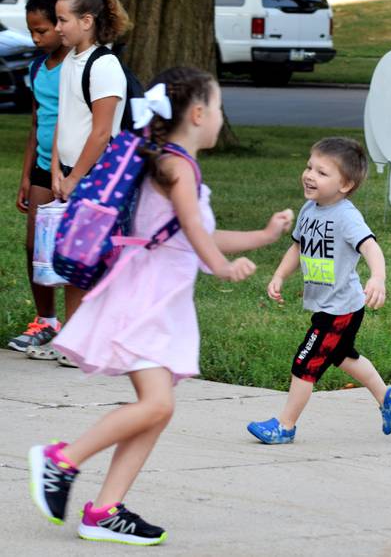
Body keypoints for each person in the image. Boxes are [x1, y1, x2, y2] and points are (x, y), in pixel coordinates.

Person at [28, 67, 295, 545]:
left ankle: (104, 510)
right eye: (216, 107)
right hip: (143, 299)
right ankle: (60, 460)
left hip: (158, 300)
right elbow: (195, 233)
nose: (218, 117)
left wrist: (263, 236)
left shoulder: (175, 164)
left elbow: (198, 232)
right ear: (197, 114)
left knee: (158, 408)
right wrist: (219, 266)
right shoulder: (177, 167)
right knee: (156, 404)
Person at [247, 137, 391, 444]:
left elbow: (371, 247)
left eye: (321, 172)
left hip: (340, 309)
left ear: (345, 184)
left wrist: (378, 277)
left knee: (305, 363)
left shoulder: (346, 216)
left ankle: (285, 426)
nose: (309, 175)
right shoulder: (309, 209)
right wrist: (279, 275)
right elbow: (297, 247)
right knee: (344, 356)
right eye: (309, 167)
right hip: (330, 305)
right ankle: (388, 397)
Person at [26, 0, 129, 364]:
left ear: (87, 21)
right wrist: (55, 169)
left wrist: (75, 177)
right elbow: (63, 123)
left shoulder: (105, 66)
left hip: (97, 178)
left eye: (63, 19)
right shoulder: (70, 60)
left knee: (95, 265)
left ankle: (98, 342)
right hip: (67, 175)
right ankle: (72, 339)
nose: (59, 27)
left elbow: (101, 133)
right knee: (73, 263)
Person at [8, 0, 68, 354]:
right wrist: (26, 177)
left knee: (77, 252)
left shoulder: (80, 65)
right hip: (44, 169)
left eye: (42, 30)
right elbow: (35, 124)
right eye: (31, 31)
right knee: (35, 247)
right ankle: (46, 320)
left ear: (62, 24)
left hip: (75, 170)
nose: (35, 38)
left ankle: (83, 328)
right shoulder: (36, 67)